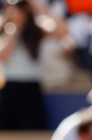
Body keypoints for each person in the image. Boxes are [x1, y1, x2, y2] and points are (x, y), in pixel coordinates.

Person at [0, 0, 67, 129]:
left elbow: (62, 30)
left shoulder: (37, 28)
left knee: (33, 130)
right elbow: (2, 55)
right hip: (9, 88)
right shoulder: (4, 27)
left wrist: (39, 7)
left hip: (32, 89)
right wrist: (16, 26)